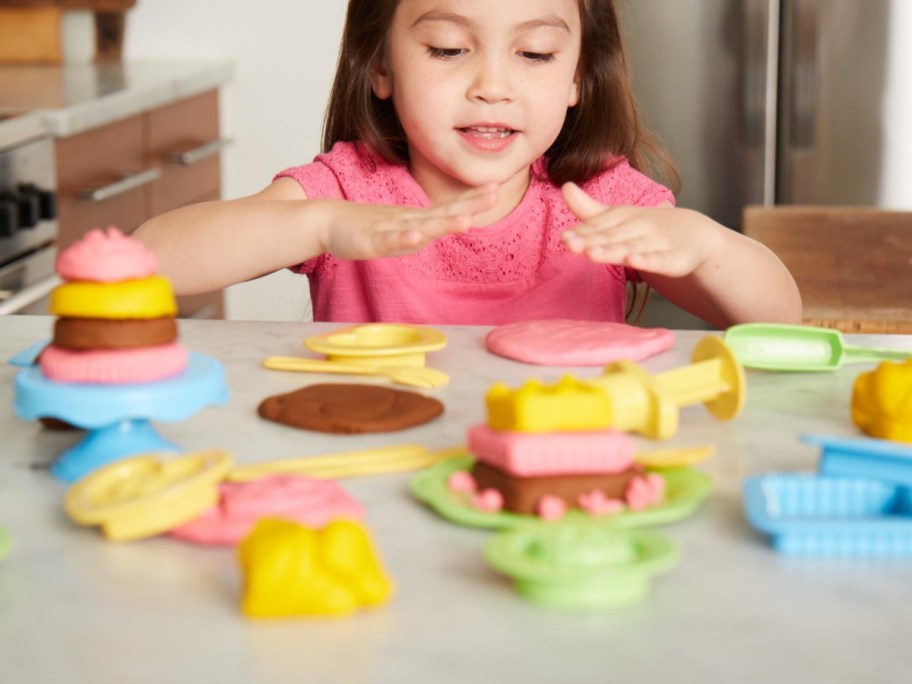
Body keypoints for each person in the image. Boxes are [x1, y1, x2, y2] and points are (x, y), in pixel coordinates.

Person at [134, 0, 802, 328]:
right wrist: (317, 227)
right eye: (450, 50)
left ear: (576, 78)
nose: (493, 85)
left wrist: (708, 247)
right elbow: (147, 265)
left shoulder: (597, 195)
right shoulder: (348, 191)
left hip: (556, 477)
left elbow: (781, 320)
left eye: (534, 54)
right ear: (382, 66)